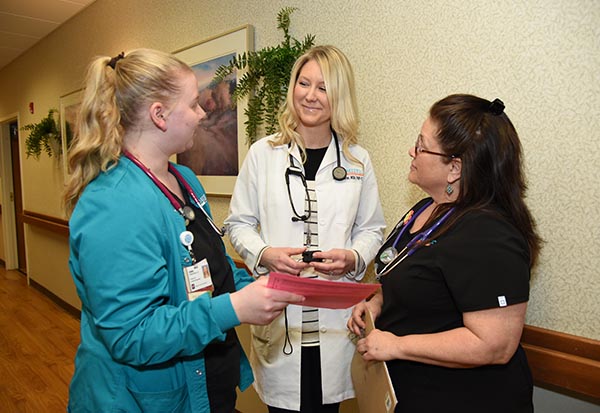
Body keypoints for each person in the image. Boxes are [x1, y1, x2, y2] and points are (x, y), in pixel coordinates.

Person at [62, 48, 304, 413]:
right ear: (159, 115)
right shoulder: (113, 204)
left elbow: (209, 269)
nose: (202, 113)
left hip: (206, 388)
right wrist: (236, 308)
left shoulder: (184, 180)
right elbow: (132, 335)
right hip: (142, 401)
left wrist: (256, 286)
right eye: (192, 105)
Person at [348, 94, 541, 413]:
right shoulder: (426, 209)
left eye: (421, 146)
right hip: (410, 392)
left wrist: (396, 346)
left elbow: (494, 345)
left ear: (454, 168)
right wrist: (378, 303)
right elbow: (414, 279)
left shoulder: (489, 235)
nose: (412, 151)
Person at [225, 45, 386, 413]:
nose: (310, 95)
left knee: (328, 406)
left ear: (339, 96)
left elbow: (372, 229)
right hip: (281, 317)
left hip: (334, 322)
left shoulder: (358, 160)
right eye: (304, 83)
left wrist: (353, 257)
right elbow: (238, 223)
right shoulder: (263, 154)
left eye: (323, 87)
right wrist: (265, 253)